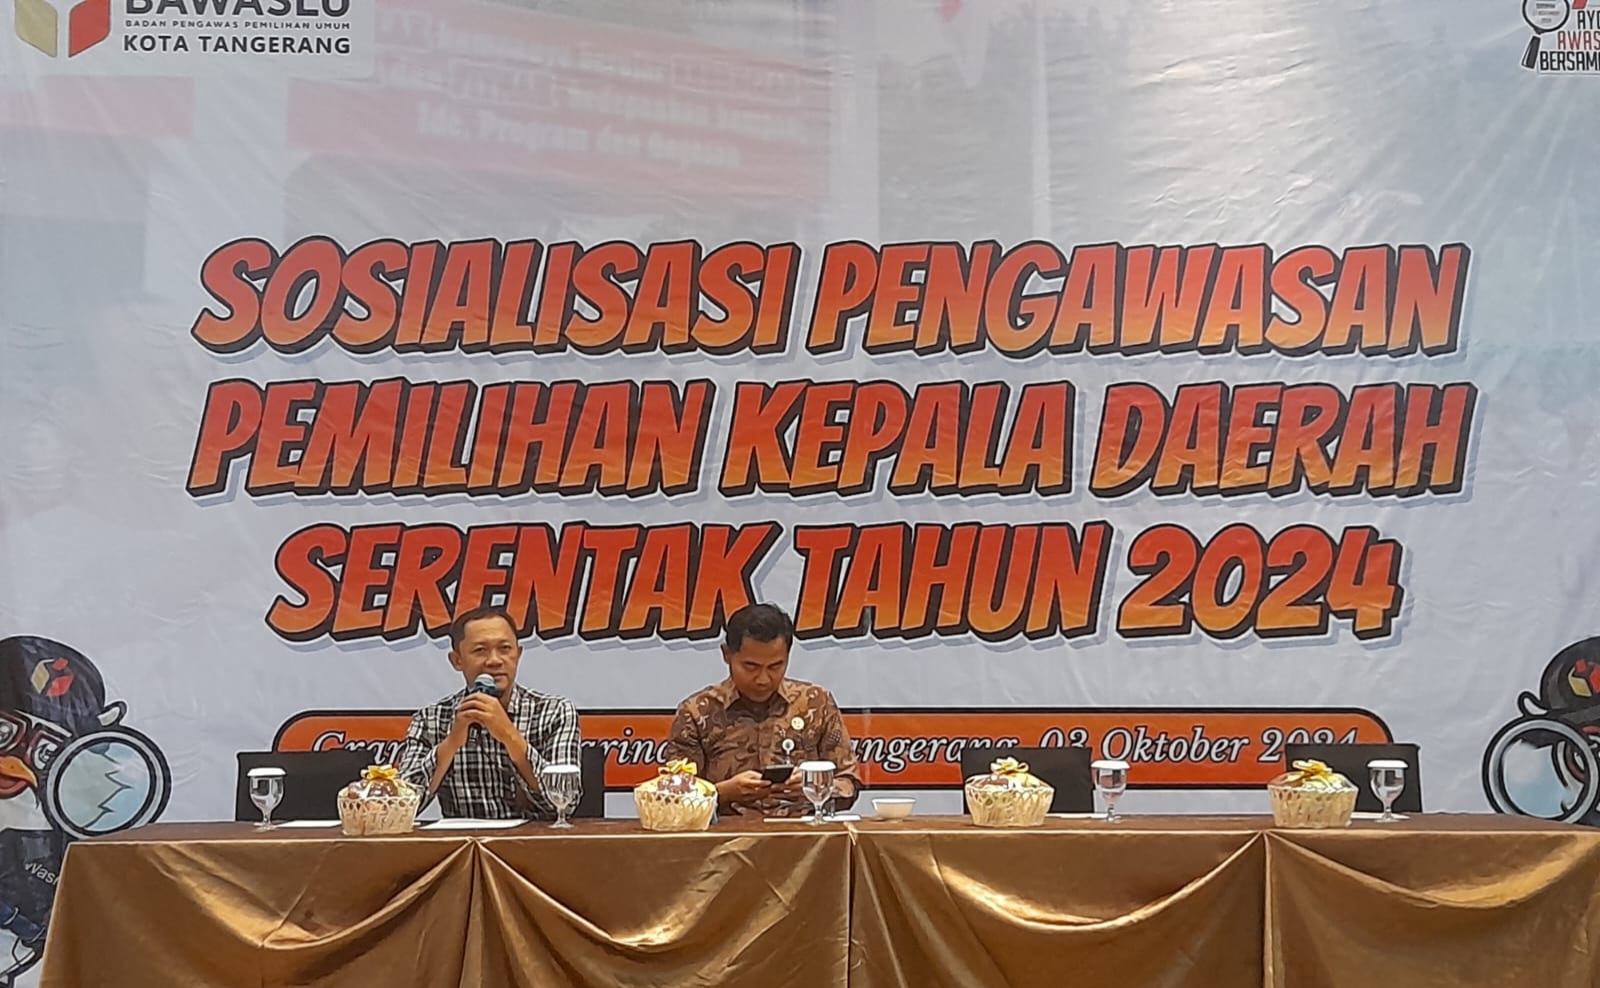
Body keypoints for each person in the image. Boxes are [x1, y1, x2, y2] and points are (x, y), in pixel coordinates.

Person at [662, 603, 861, 817]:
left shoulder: (816, 703)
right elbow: (672, 797)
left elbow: (849, 783)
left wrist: (815, 787)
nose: (763, 679)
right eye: (751, 667)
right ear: (727, 654)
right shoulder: (697, 713)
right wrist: (722, 793)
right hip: (727, 834)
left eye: (775, 666)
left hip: (804, 831)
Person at [398, 606, 580, 819]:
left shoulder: (555, 712)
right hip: (463, 839)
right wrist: (451, 744)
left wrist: (509, 734)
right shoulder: (431, 719)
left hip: (534, 839)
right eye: (480, 651)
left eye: (505, 648)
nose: (494, 660)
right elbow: (401, 807)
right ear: (457, 660)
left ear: (518, 654)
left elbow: (565, 803)